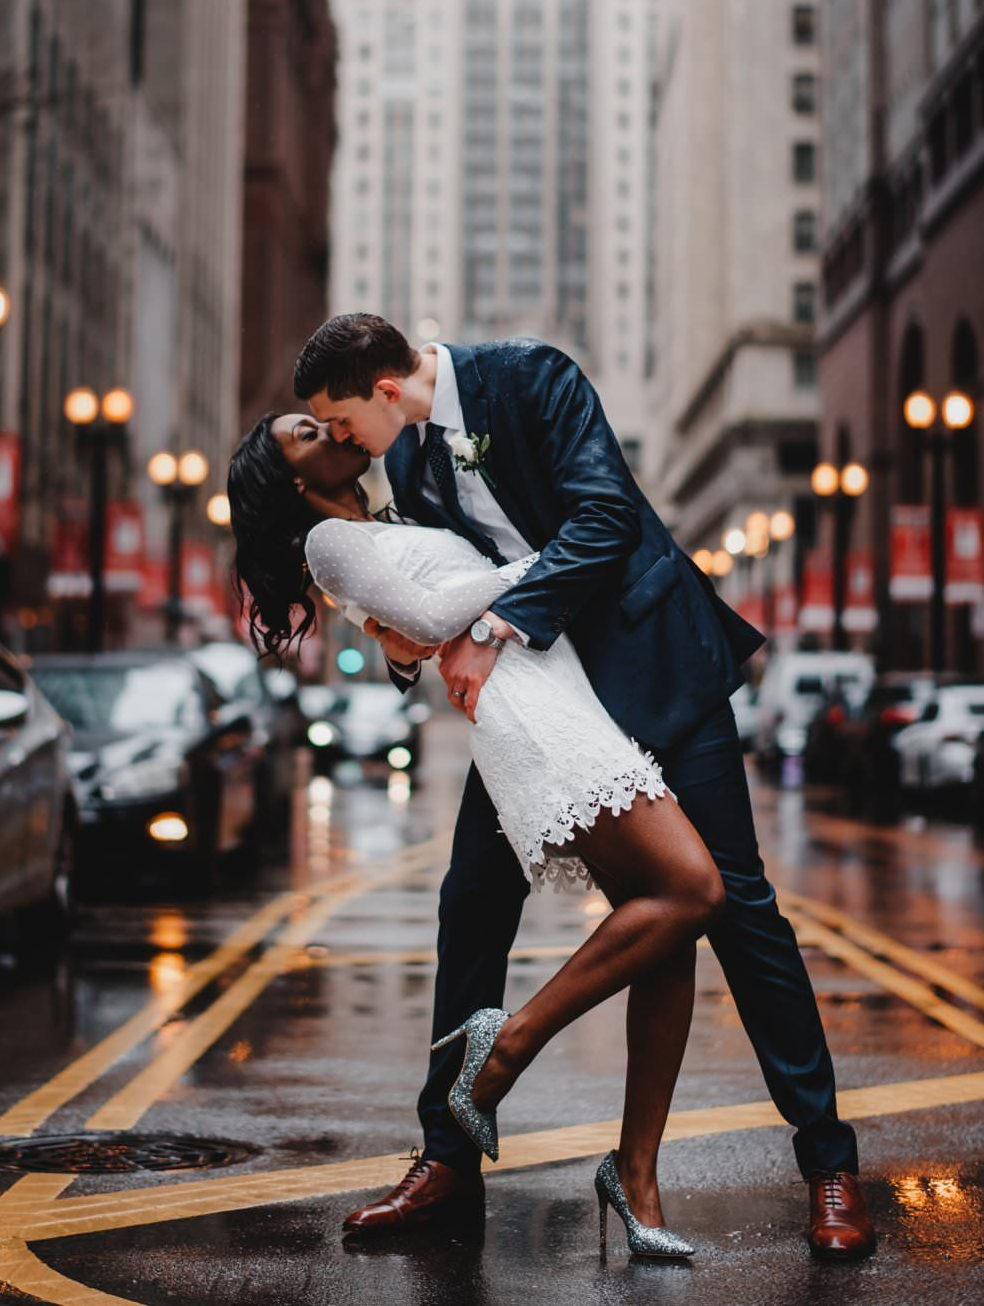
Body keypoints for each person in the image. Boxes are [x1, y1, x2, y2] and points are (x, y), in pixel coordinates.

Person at [245, 312, 873, 1260]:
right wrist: (412, 646)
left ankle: (829, 1163)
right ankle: (447, 1159)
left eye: (337, 423)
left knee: (738, 910)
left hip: (653, 668)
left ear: (379, 389)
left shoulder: (531, 377)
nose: (338, 442)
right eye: (321, 436)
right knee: (472, 901)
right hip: (541, 707)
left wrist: (490, 630)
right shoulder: (410, 465)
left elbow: (607, 517)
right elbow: (426, 584)